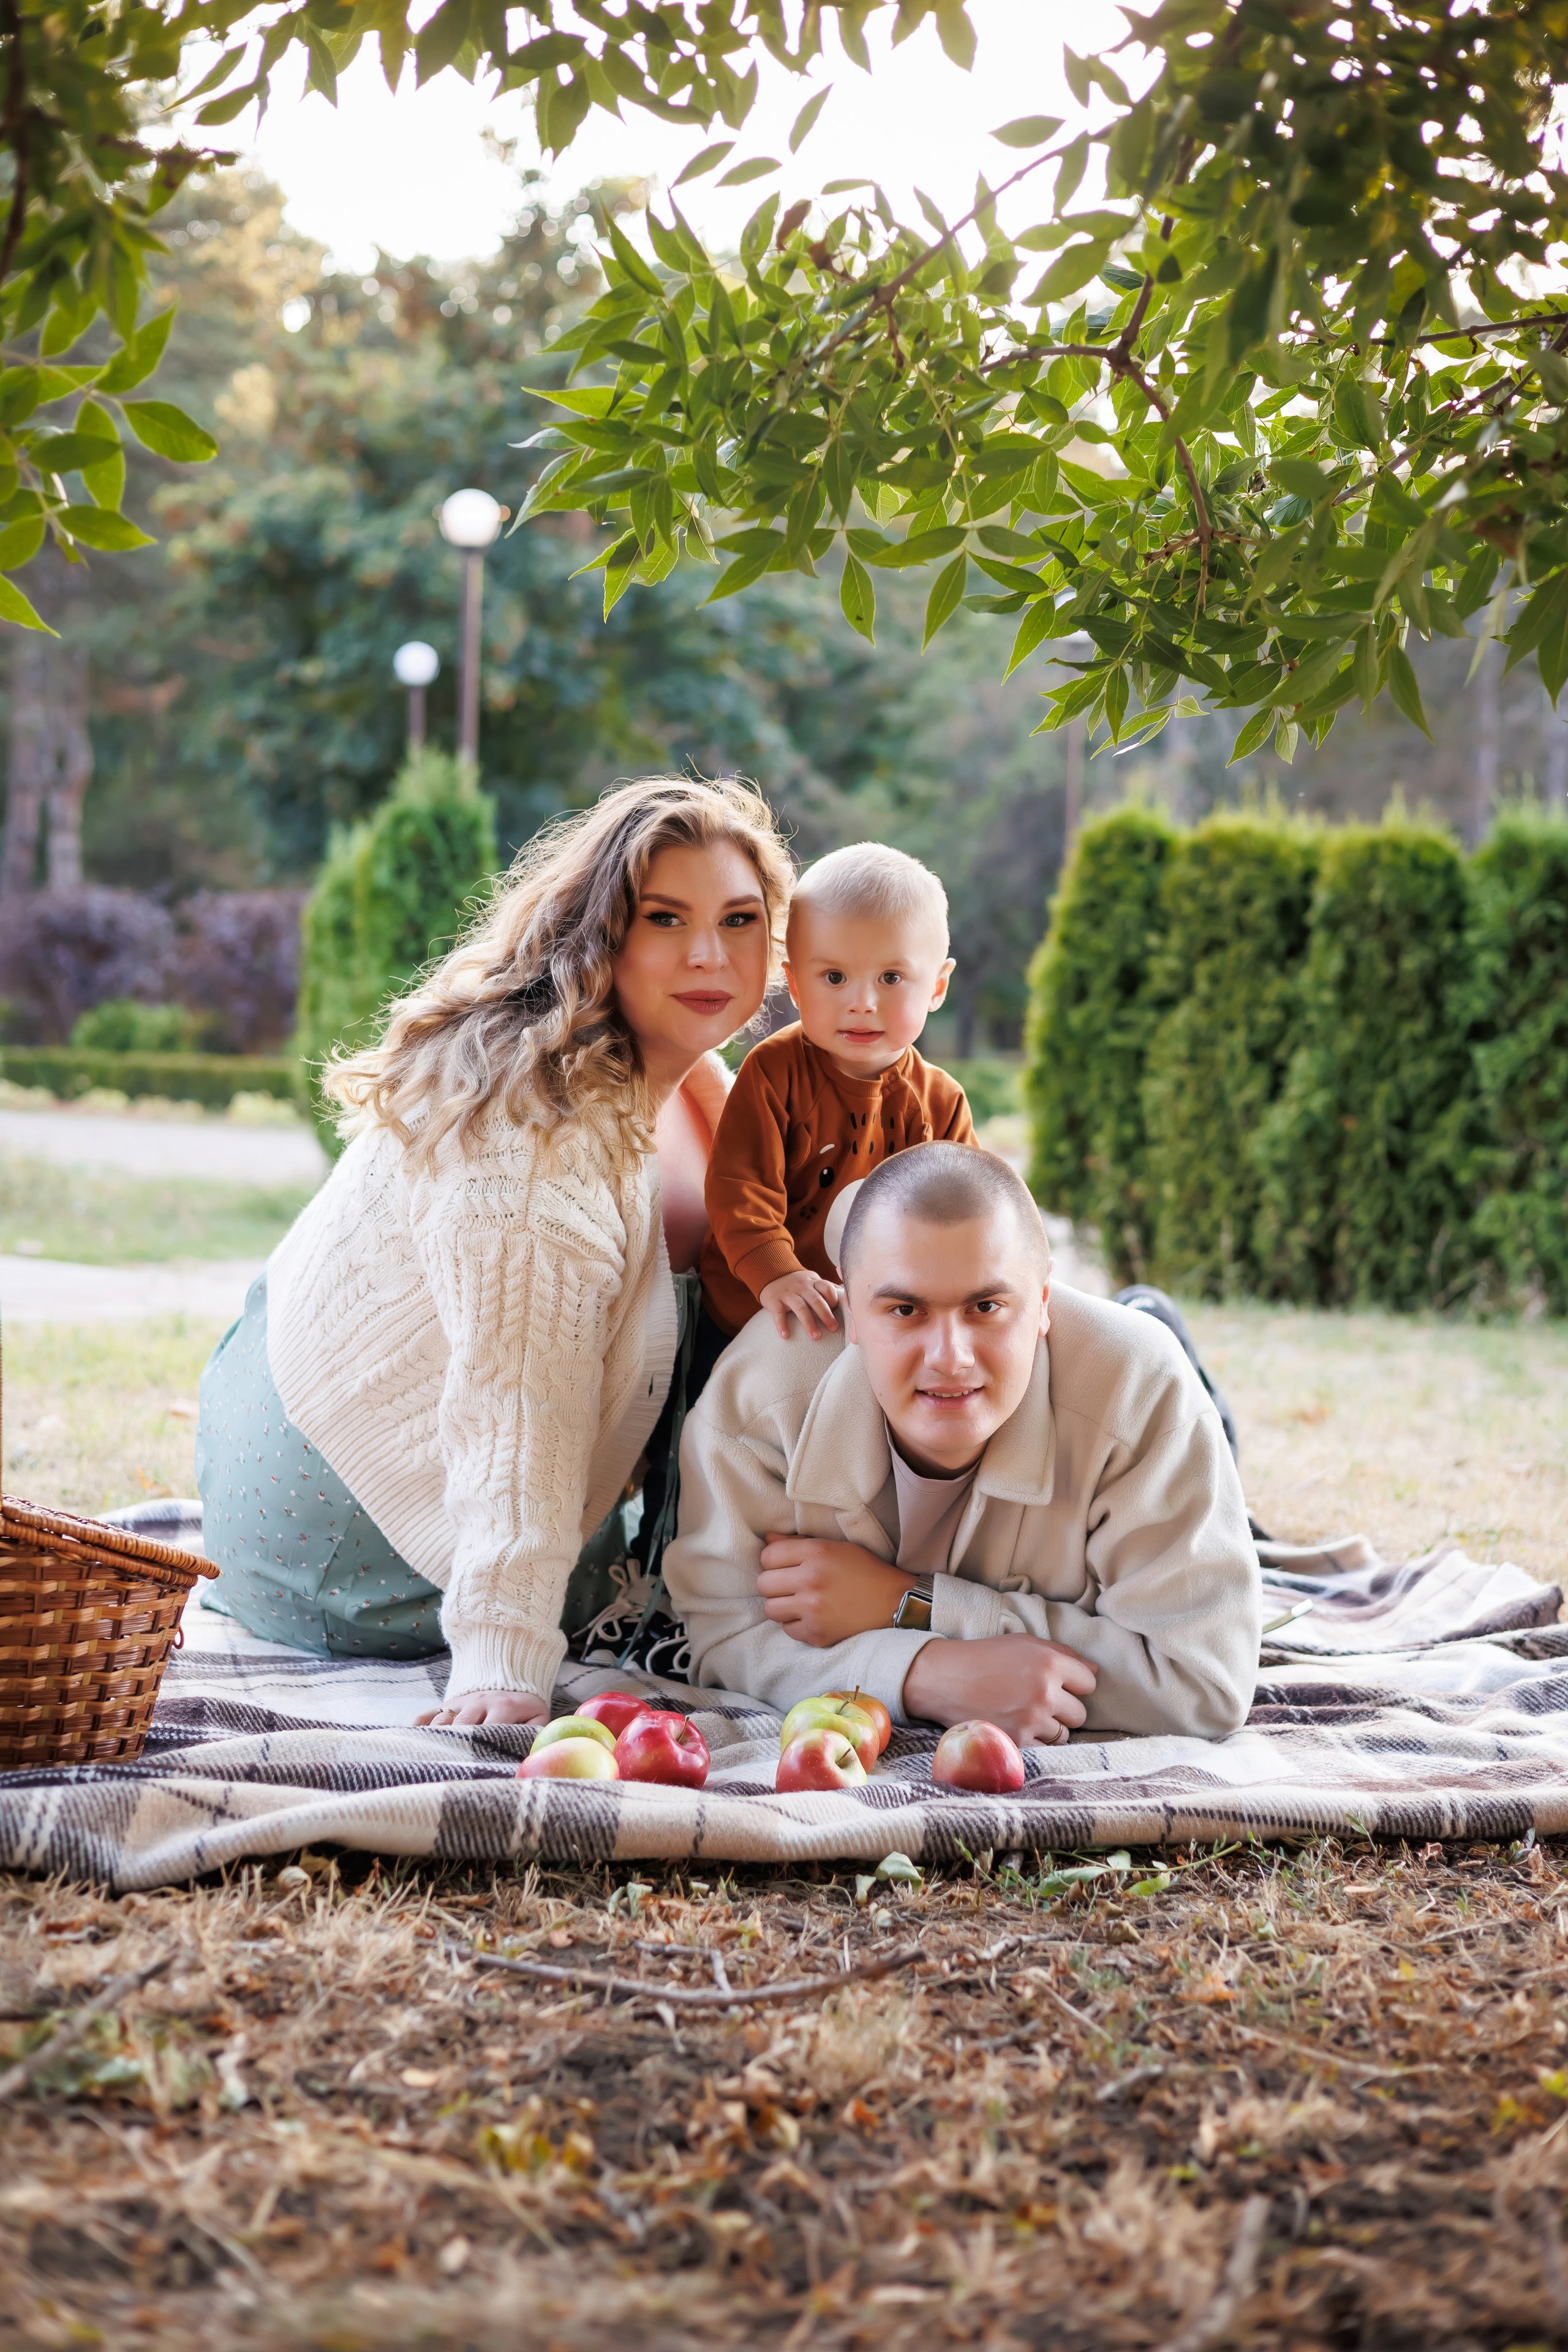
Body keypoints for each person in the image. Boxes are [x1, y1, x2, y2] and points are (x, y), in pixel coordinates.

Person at [194, 775, 793, 1728]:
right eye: (666, 919)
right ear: (602, 935)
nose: (710, 953)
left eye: (740, 919)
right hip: (341, 1513)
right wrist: (504, 1659)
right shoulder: (536, 1136)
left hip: (313, 1400)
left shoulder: (695, 1079)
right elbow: (517, 1402)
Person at [665, 1143, 1261, 1746]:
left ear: (1044, 1303)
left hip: (1121, 1417)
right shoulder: (755, 1405)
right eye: (904, 1309)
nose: (950, 1358)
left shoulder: (1140, 1386)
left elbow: (1200, 1681)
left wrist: (913, 1604)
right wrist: (926, 1675)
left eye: (986, 1306)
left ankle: (1151, 1317)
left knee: (1212, 1453)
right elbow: (724, 1640)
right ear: (850, 1310)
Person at [699, 842, 975, 1351]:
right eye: (834, 978)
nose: (862, 1004)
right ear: (797, 985)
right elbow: (739, 1189)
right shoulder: (775, 1073)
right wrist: (777, 1274)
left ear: (937, 987)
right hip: (755, 1315)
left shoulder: (940, 1102)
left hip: (874, 1326)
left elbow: (973, 1209)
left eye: (891, 978)